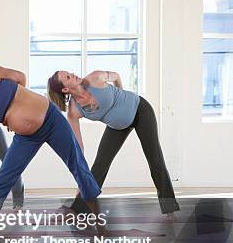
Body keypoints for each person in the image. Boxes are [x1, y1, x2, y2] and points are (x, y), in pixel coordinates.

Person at [0, 65, 101, 235]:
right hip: (27, 138)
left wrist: (19, 111)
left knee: (78, 165)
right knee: (3, 180)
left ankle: (100, 223)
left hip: (52, 120)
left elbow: (20, 75)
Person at [47, 70, 179, 219]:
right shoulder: (74, 111)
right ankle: (78, 210)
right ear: (65, 89)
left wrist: (120, 93)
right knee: (99, 166)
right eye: (68, 77)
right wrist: (81, 180)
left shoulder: (94, 78)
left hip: (140, 110)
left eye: (70, 72)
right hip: (117, 126)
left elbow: (116, 76)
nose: (73, 73)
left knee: (155, 160)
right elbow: (79, 148)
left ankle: (170, 209)